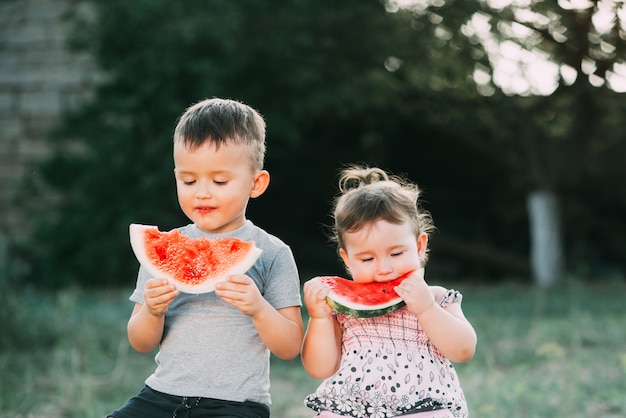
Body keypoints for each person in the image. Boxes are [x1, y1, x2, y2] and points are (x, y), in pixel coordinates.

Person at [107, 98, 304, 418]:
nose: (202, 192)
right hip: (162, 395)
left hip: (235, 406)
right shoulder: (164, 250)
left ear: (256, 183)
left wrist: (258, 308)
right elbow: (140, 342)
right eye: (188, 180)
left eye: (219, 181)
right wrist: (153, 311)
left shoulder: (272, 253)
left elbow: (290, 346)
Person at [301, 166, 477, 418]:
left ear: (419, 246)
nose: (384, 269)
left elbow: (464, 350)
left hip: (422, 405)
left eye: (396, 253)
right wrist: (318, 318)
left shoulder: (437, 298)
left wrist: (427, 309)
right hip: (352, 406)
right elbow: (320, 369)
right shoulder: (343, 310)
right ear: (347, 259)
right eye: (366, 259)